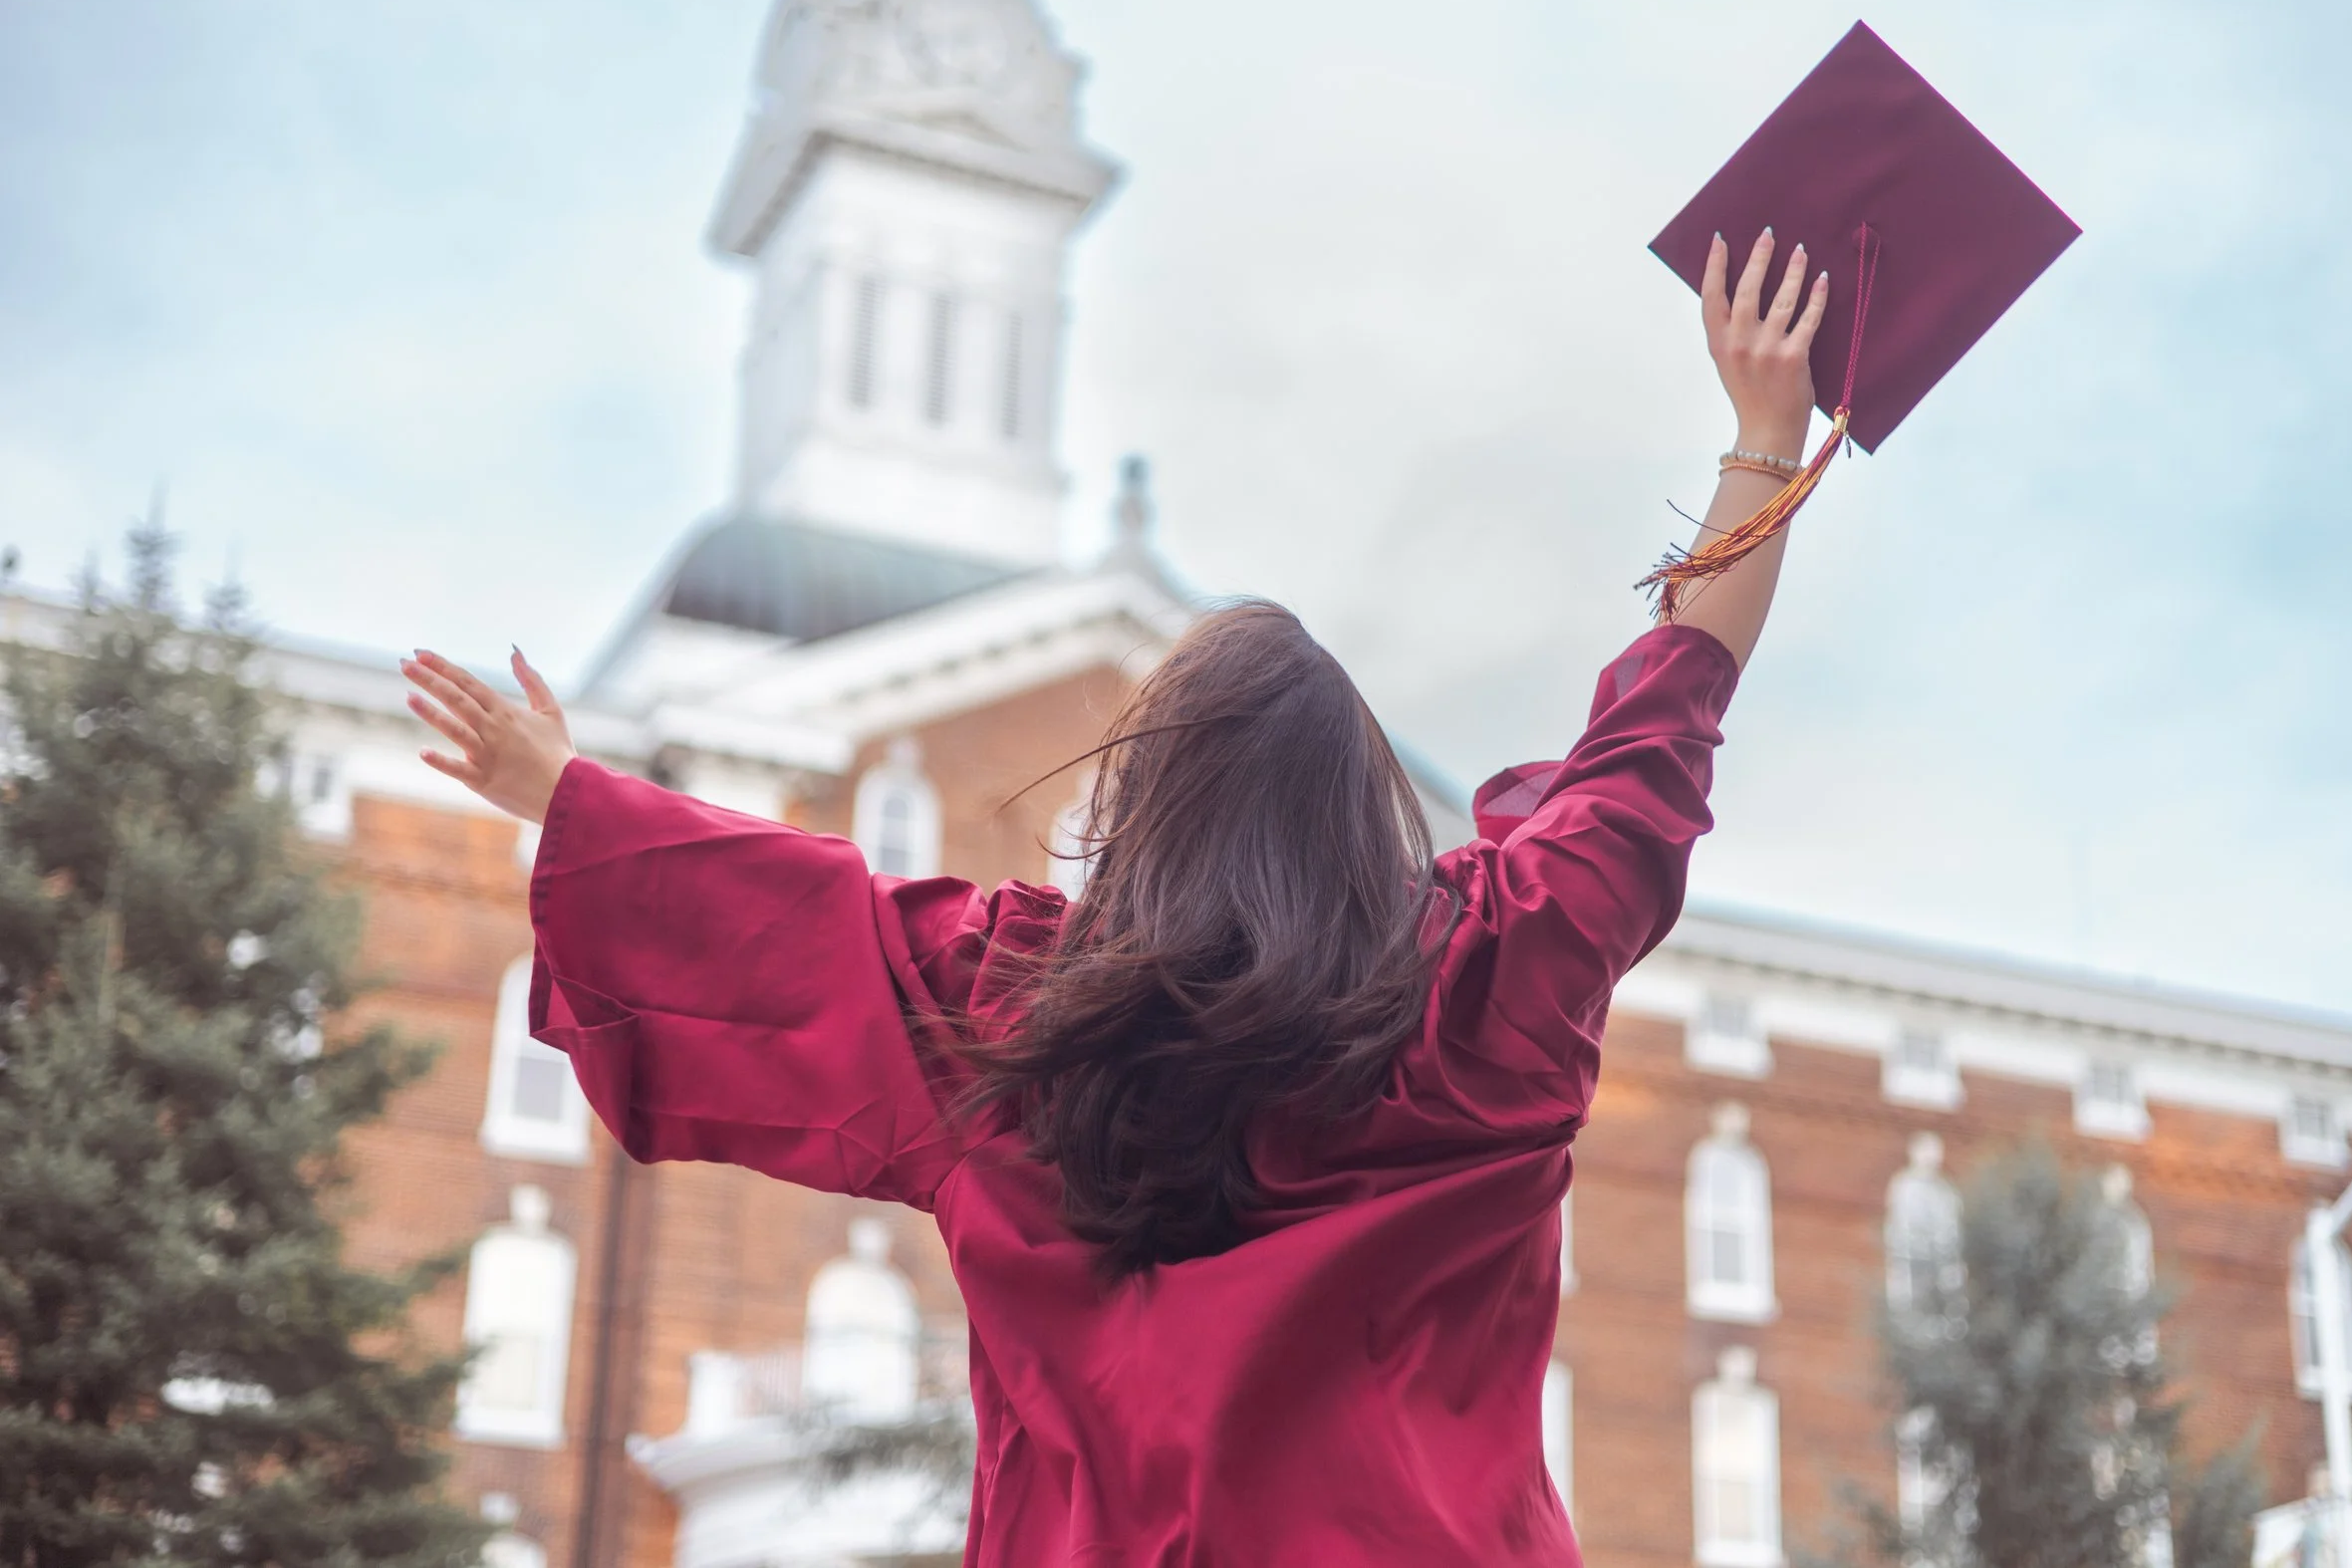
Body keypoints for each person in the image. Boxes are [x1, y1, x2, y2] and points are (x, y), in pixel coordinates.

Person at [402, 231, 1829, 1565]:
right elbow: (1660, 726)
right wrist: (1763, 432)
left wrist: (571, 798)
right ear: (1361, 810)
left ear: (1153, 810)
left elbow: (783, 911)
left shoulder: (1018, 1013)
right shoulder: (1496, 977)